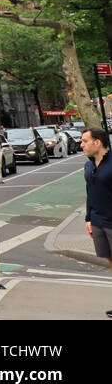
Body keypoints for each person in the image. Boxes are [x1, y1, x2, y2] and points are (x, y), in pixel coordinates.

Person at [79, 127, 112, 315]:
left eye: (85, 141)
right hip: (98, 221)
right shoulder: (89, 165)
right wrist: (89, 218)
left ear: (97, 142)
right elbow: (90, 193)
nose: (82, 145)